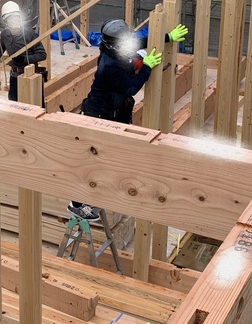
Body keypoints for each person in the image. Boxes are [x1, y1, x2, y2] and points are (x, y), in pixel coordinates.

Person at [68, 18, 188, 220]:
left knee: (110, 157)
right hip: (98, 115)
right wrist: (147, 67)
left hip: (114, 111)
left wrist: (167, 37)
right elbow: (132, 87)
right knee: (94, 161)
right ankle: (77, 205)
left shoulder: (113, 49)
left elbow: (138, 43)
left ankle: (102, 190)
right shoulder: (110, 65)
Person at [0, 0, 47, 102]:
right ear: (6, 21)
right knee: (13, 103)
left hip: (30, 76)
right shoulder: (4, 34)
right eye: (11, 19)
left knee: (34, 104)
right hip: (14, 76)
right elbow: (1, 47)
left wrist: (24, 59)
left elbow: (42, 55)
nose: (14, 21)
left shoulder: (30, 35)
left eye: (16, 17)